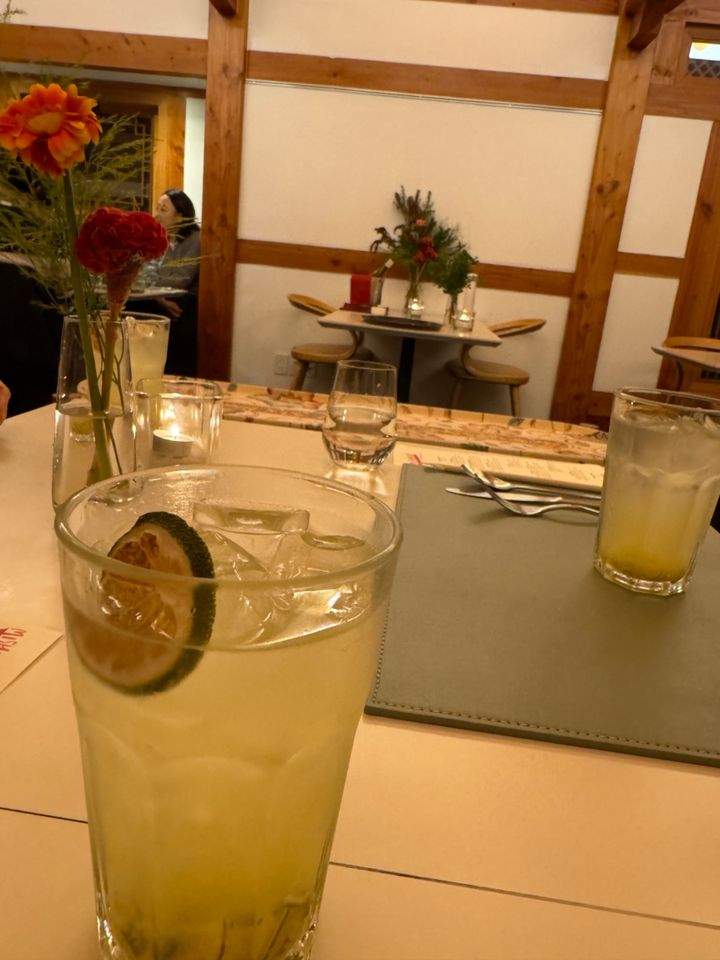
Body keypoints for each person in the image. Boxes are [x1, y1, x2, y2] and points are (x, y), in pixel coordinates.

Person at [128, 188, 201, 376]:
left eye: (163, 210)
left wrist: (154, 289)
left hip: (182, 302)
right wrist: (158, 297)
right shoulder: (161, 238)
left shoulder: (195, 239)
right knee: (128, 305)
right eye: (157, 208)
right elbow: (142, 275)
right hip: (158, 299)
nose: (156, 215)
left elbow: (180, 279)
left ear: (180, 216)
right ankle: (136, 371)